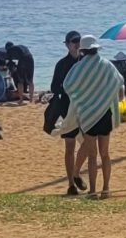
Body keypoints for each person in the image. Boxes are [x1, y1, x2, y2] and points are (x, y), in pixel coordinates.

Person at [63, 36, 124, 200]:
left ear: (82, 50)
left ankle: (92, 191)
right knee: (105, 153)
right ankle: (106, 189)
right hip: (105, 114)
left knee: (92, 155)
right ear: (97, 49)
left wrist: (82, 97)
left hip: (88, 114)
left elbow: (68, 85)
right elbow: (119, 81)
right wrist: (110, 98)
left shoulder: (79, 67)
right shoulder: (106, 64)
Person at [51, 30, 88, 196]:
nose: (77, 44)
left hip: (85, 109)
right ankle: (71, 184)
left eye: (79, 41)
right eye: (73, 41)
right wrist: (68, 89)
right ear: (67, 44)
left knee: (88, 144)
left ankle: (76, 172)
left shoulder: (86, 61)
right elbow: (54, 87)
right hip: (67, 109)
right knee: (70, 146)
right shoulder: (61, 64)